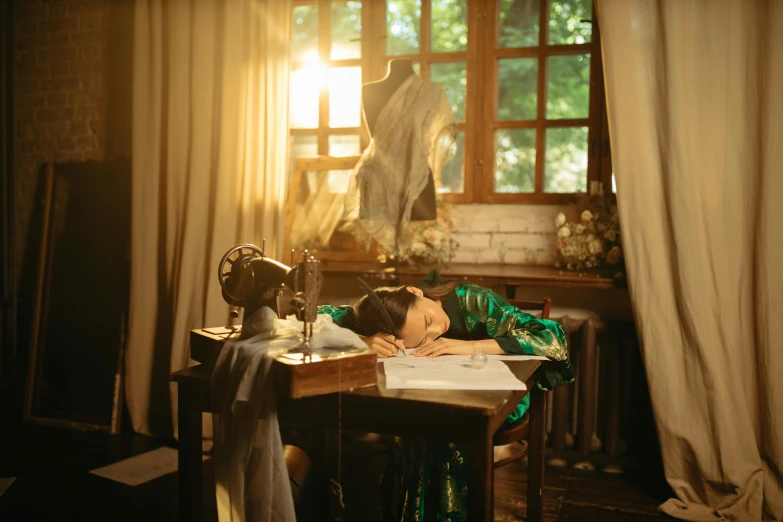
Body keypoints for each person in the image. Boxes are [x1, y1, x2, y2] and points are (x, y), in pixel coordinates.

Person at [318, 269, 573, 522]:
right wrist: (364, 340)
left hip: (497, 395)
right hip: (435, 396)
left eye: (428, 322)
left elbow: (551, 336)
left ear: (415, 291)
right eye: (421, 339)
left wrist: (466, 347)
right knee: (421, 420)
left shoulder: (473, 300)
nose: (437, 331)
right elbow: (317, 318)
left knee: (447, 428)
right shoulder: (387, 313)